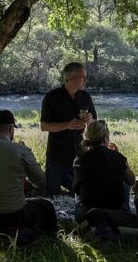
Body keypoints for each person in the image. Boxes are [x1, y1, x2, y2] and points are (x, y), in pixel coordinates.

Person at [72, 120, 138, 239]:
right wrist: (122, 162)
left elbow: (77, 190)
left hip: (87, 212)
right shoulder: (117, 157)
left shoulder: (79, 160)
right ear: (105, 137)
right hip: (116, 211)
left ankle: (93, 225)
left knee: (79, 188)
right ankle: (114, 223)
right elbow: (131, 181)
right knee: (123, 179)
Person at [40, 62, 96, 195]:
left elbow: (94, 122)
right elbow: (44, 126)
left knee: (80, 193)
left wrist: (90, 120)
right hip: (56, 155)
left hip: (79, 154)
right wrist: (67, 125)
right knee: (52, 193)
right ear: (70, 78)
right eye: (83, 77)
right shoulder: (51, 97)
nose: (86, 80)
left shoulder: (85, 96)